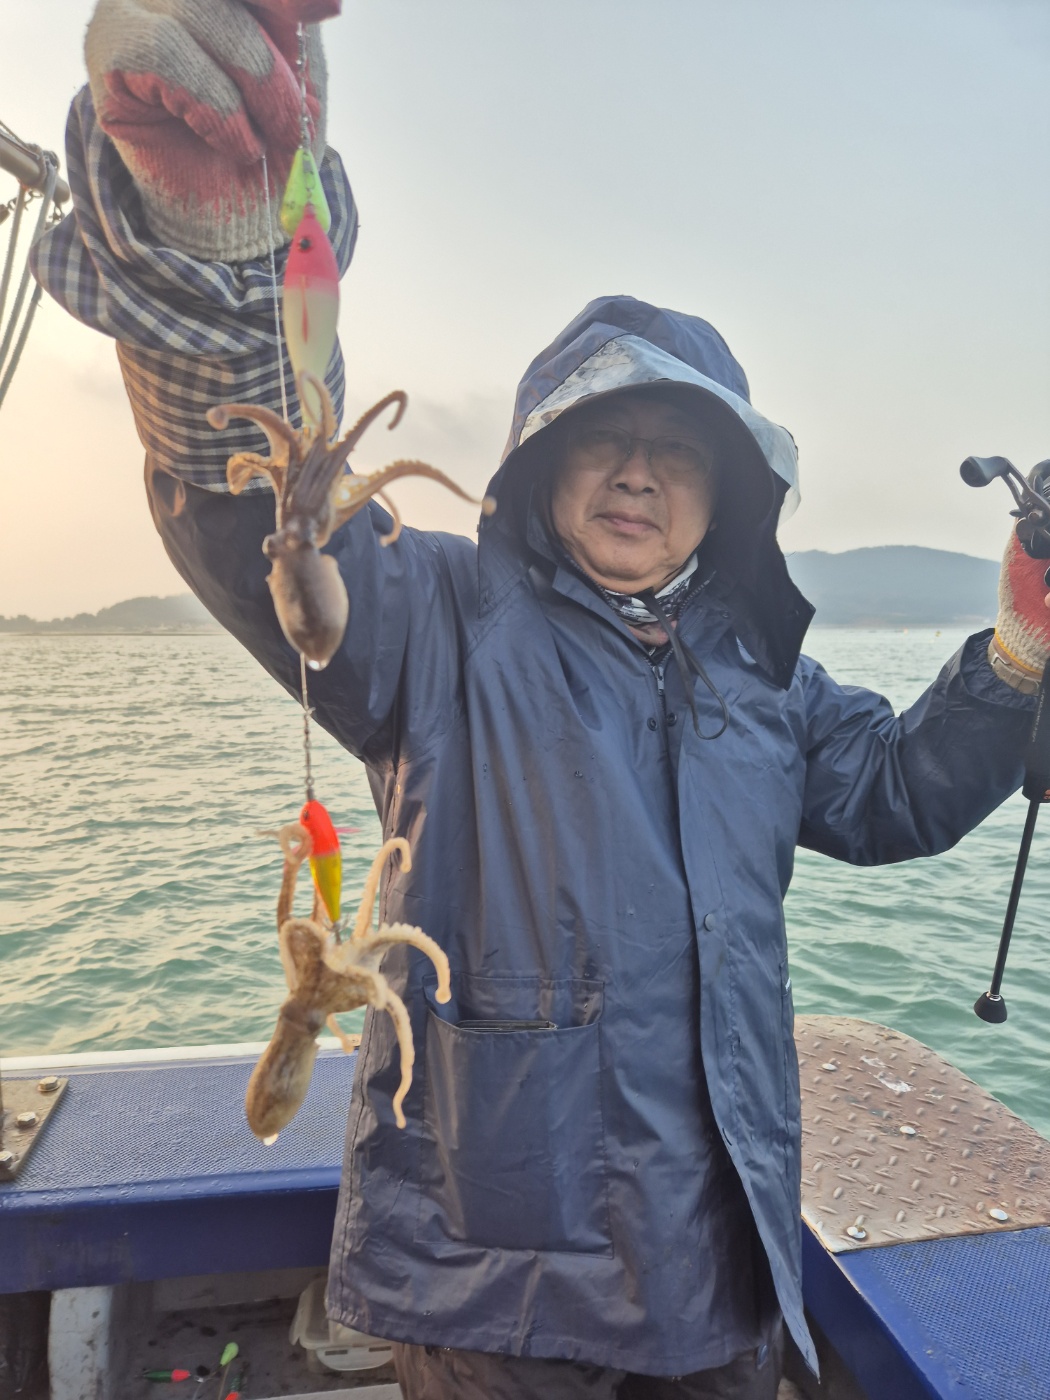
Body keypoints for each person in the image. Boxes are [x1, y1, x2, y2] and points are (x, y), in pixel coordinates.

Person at [32, 3, 1050, 1396]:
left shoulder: (764, 677)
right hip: (490, 1292)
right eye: (603, 438)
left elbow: (895, 796)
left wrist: (1017, 650)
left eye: (676, 451)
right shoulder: (438, 615)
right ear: (539, 465)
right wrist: (217, 261)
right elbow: (268, 511)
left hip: (717, 1265)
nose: (636, 473)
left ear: (727, 499)